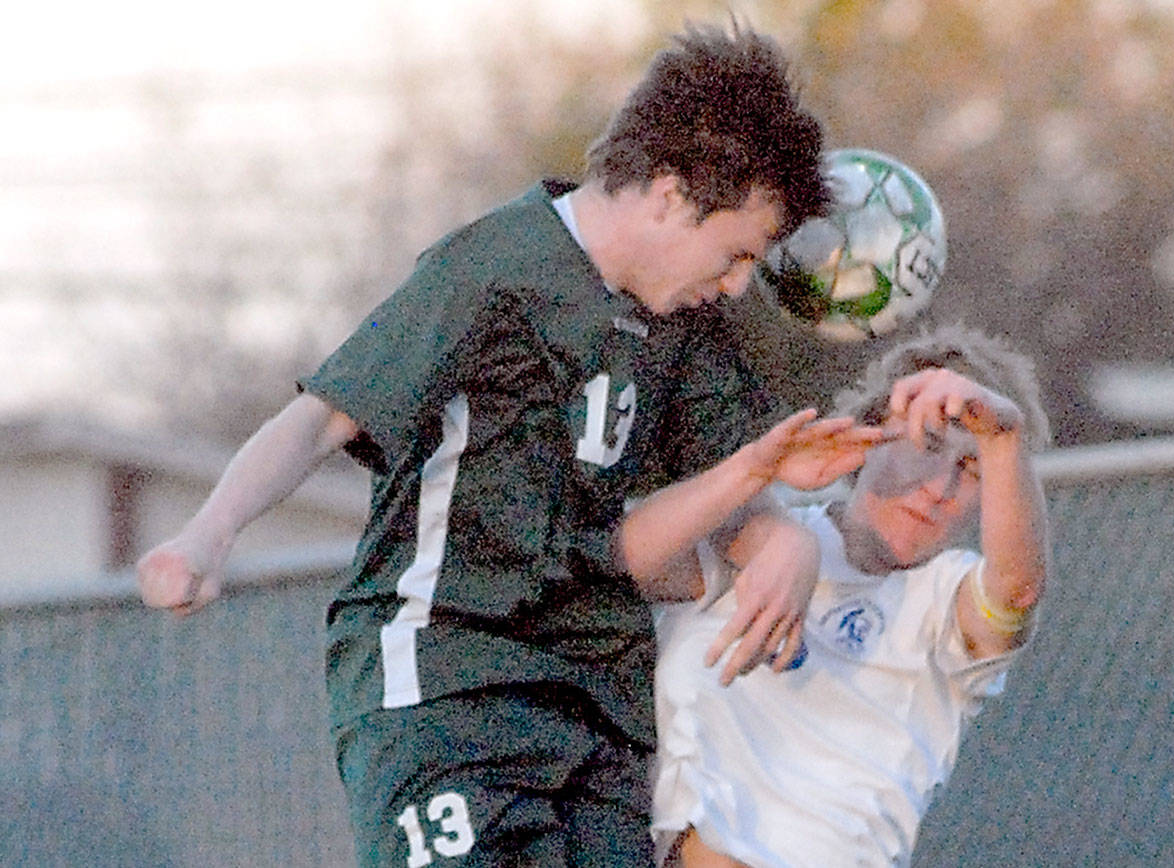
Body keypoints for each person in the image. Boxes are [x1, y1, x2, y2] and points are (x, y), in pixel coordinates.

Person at [135, 21, 873, 866]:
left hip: (597, 706)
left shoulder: (688, 328)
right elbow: (323, 414)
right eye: (736, 252)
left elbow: (737, 481)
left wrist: (781, 538)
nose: (741, 283)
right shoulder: (493, 271)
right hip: (448, 678)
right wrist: (208, 533)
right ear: (669, 194)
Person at [643, 324, 1052, 867]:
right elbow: (617, 563)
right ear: (872, 429)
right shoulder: (755, 533)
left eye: (974, 471)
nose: (939, 490)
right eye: (930, 446)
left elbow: (1016, 591)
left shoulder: (942, 601)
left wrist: (1006, 439)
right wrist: (765, 493)